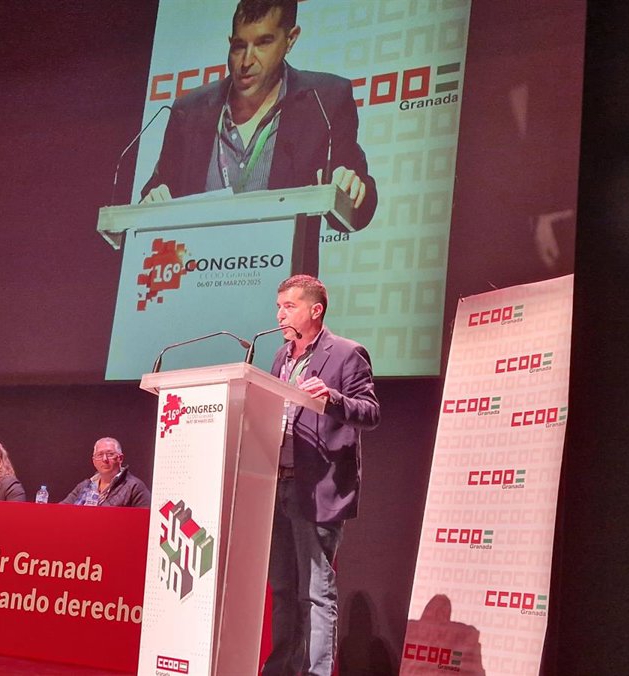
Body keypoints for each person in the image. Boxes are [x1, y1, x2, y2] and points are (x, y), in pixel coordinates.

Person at [140, 0, 378, 232]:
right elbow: (155, 193)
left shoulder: (324, 101)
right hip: (194, 257)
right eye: (239, 46)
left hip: (281, 259)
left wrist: (351, 190)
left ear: (290, 39)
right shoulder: (191, 111)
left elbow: (357, 212)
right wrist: (152, 202)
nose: (246, 61)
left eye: (263, 43)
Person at [265, 274, 379, 676]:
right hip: (276, 484)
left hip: (316, 487)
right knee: (283, 588)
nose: (280, 315)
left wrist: (332, 398)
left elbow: (370, 412)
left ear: (316, 310)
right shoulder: (280, 357)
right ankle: (282, 669)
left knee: (315, 591)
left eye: (289, 306)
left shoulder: (346, 354)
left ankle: (316, 672)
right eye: (278, 307)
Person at [59, 437, 150, 507]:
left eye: (110, 454)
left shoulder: (134, 487)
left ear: (120, 458)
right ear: (94, 461)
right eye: (99, 455)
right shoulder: (84, 486)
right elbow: (60, 510)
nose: (104, 459)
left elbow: (147, 520)